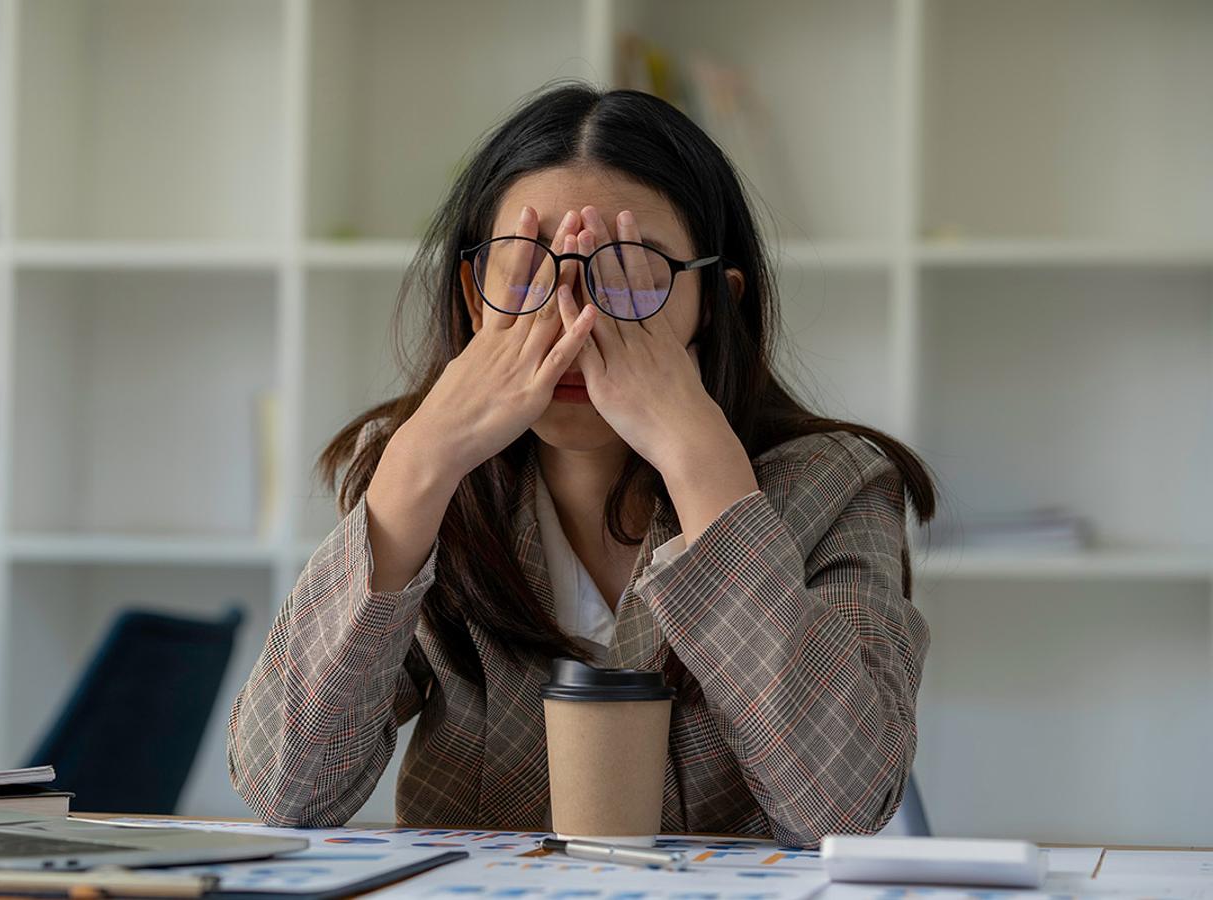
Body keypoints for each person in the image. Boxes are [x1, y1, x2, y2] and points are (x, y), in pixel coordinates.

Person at [227, 81, 936, 848]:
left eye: (628, 272)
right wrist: (417, 466)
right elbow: (284, 790)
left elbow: (843, 807)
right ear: (474, 297)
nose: (573, 318)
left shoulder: (838, 484)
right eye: (527, 269)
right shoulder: (422, 478)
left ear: (716, 304)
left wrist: (705, 469)